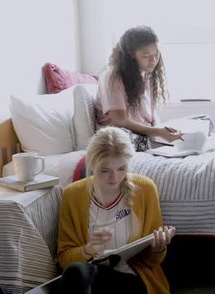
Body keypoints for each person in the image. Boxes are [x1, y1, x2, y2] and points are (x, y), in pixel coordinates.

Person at [57, 126, 176, 294]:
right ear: (91, 165)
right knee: (77, 272)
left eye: (122, 168)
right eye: (105, 171)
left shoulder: (145, 189)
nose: (115, 178)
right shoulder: (72, 194)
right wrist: (89, 249)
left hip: (133, 281)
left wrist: (158, 248)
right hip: (92, 279)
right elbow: (64, 259)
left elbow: (153, 261)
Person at [95, 25, 182, 151]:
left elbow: (151, 118)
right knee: (122, 139)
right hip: (119, 136)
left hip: (144, 134)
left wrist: (162, 130)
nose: (153, 60)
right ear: (131, 54)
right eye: (146, 55)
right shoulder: (112, 77)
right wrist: (158, 132)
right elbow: (120, 120)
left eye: (156, 54)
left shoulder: (148, 76)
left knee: (201, 121)